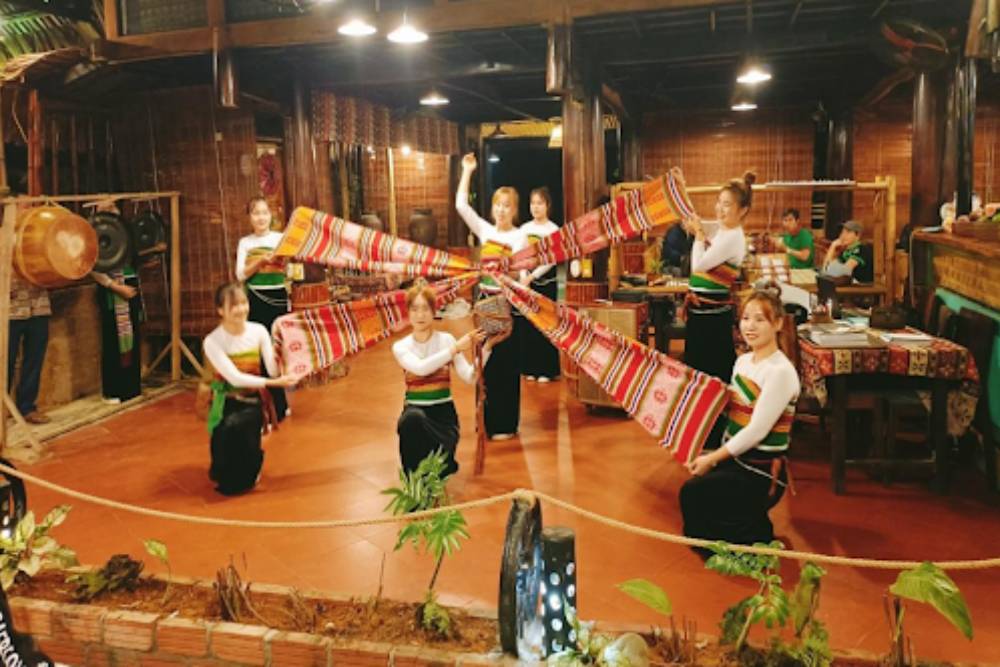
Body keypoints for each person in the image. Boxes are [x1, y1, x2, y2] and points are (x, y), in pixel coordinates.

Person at [679, 285, 799, 546]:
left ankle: (754, 532)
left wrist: (712, 459)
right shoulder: (742, 362)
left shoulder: (780, 372)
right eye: (745, 318)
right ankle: (747, 526)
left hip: (760, 469)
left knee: (694, 493)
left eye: (760, 319)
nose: (750, 327)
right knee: (694, 496)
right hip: (737, 459)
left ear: (777, 323)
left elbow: (757, 431)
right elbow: (731, 410)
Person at [456, 153, 527, 440]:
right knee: (485, 362)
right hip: (484, 304)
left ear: (514, 210)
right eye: (497, 204)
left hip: (507, 306)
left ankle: (506, 423)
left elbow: (523, 272)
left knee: (506, 364)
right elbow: (461, 205)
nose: (501, 210)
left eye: (506, 206)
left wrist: (519, 288)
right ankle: (485, 420)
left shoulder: (520, 236)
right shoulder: (485, 230)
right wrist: (467, 170)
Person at [202, 283, 298, 495]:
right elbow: (234, 378)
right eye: (234, 305)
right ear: (220, 310)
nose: (241, 309)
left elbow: (272, 370)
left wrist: (284, 352)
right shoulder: (212, 341)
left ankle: (249, 472)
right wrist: (275, 384)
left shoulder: (259, 331)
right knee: (224, 442)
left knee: (244, 442)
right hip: (226, 400)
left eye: (244, 303)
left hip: (253, 401)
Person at [393, 282, 487, 476]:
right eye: (415, 309)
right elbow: (420, 369)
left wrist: (488, 347)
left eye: (425, 309)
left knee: (437, 471)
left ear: (434, 311)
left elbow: (470, 377)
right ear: (408, 313)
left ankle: (442, 461)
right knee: (411, 420)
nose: (420, 315)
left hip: (443, 417)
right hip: (415, 412)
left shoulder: (446, 339)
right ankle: (415, 482)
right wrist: (455, 349)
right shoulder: (401, 347)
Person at [682, 171, 753, 383]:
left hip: (712, 316)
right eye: (719, 202)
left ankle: (715, 414)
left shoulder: (733, 237)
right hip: (703, 312)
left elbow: (698, 265)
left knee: (711, 372)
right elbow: (708, 226)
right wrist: (696, 225)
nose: (719, 209)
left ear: (743, 211)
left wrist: (699, 235)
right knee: (699, 371)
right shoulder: (724, 231)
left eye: (727, 204)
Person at [235, 196, 290, 420]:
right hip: (256, 301)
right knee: (258, 353)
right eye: (255, 213)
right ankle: (260, 405)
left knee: (277, 353)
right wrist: (260, 262)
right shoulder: (245, 243)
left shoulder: (281, 239)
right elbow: (239, 274)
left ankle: (280, 404)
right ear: (249, 218)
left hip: (278, 298)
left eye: (264, 213)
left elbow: (289, 266)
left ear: (271, 216)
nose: (260, 217)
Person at [518, 187, 560, 383]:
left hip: (545, 282)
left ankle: (547, 369)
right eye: (533, 203)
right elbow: (518, 255)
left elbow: (551, 259)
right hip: (526, 282)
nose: (535, 207)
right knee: (529, 325)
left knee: (546, 324)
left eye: (539, 203)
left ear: (547, 206)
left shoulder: (553, 230)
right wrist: (523, 276)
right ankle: (529, 367)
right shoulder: (524, 229)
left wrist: (532, 275)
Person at [92, 268, 143, 404]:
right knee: (113, 341)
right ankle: (112, 391)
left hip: (130, 283)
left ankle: (131, 389)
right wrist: (115, 286)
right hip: (112, 288)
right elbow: (93, 269)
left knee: (132, 338)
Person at [8, 273, 51, 424]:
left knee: (34, 361)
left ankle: (27, 408)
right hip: (9, 309)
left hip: (39, 305)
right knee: (5, 362)